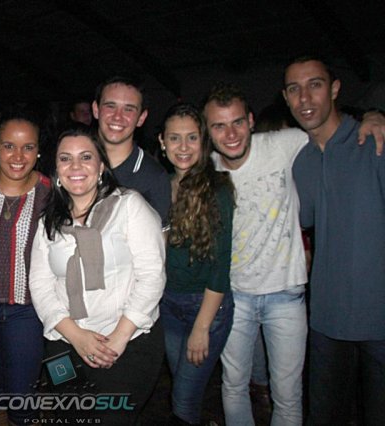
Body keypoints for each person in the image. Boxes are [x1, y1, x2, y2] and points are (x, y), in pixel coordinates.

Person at [203, 82, 385, 425]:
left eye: (238, 122)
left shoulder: (284, 143)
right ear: (208, 131)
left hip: (285, 296)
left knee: (287, 396)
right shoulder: (206, 169)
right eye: (219, 126)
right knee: (234, 385)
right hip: (233, 296)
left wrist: (373, 116)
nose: (231, 134)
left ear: (251, 121)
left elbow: (329, 126)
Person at [29, 125, 165, 425]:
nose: (75, 166)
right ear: (56, 169)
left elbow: (153, 275)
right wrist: (76, 336)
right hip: (64, 343)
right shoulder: (48, 221)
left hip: (127, 342)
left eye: (86, 157)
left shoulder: (129, 206)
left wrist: (118, 339)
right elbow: (40, 285)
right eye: (65, 158)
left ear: (101, 165)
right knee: (70, 416)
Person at [284, 56, 385, 425]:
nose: (304, 98)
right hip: (326, 318)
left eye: (315, 84)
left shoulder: (373, 142)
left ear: (335, 88)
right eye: (294, 89)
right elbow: (306, 222)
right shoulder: (302, 161)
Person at [0, 109, 50, 425]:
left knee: (23, 395)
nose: (18, 156)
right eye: (9, 146)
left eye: (28, 147)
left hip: (27, 310)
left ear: (38, 150)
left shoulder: (51, 193)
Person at [157, 104, 235, 425]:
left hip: (206, 308)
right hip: (168, 305)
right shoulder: (161, 186)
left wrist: (202, 327)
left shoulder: (218, 188)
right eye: (175, 138)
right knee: (183, 389)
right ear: (162, 142)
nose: (183, 147)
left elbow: (220, 266)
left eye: (192, 137)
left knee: (183, 400)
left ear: (203, 141)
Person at [92, 75, 170, 225]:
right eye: (110, 106)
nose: (117, 117)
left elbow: (159, 237)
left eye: (128, 109)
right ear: (96, 109)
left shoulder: (154, 177)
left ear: (141, 118)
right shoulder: (73, 165)